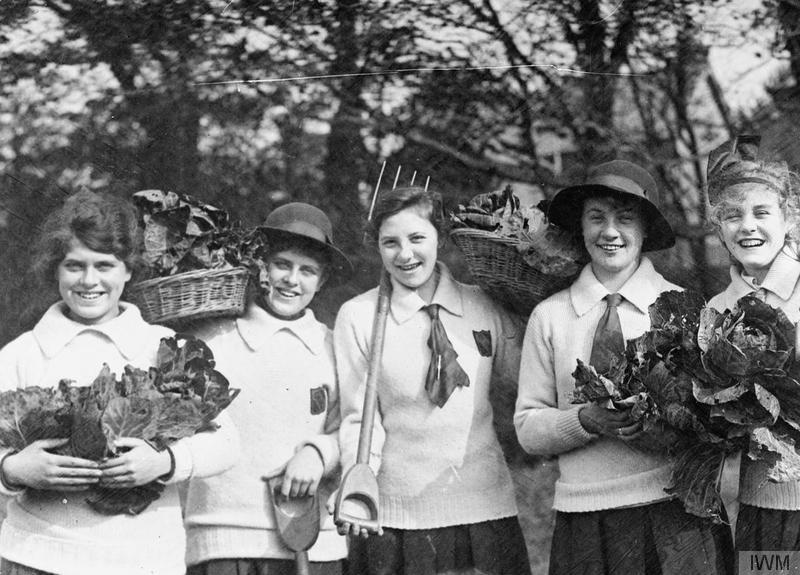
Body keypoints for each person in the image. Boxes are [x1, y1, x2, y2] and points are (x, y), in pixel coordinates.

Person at [0, 189, 240, 575]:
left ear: (128, 270)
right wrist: (11, 469)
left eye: (105, 265)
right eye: (74, 266)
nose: (89, 281)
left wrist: (165, 461)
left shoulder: (163, 348)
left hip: (141, 559)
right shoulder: (22, 354)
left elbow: (228, 443)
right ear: (55, 270)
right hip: (35, 557)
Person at [514, 160, 734, 574]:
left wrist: (669, 425)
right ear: (580, 227)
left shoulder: (683, 308)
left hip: (675, 512)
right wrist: (585, 420)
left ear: (645, 231)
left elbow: (714, 419)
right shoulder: (550, 316)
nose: (610, 232)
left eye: (625, 219)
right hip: (586, 519)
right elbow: (527, 429)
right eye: (596, 218)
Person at [334, 186, 531, 575]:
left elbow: (531, 381)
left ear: (439, 237)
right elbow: (359, 421)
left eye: (417, 238)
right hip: (396, 520)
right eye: (390, 242)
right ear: (377, 247)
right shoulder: (358, 317)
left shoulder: (484, 304)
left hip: (484, 509)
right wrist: (357, 485)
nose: (405, 254)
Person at [183, 203, 352, 575]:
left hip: (310, 541)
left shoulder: (332, 347)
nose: (292, 280)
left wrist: (320, 454)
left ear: (321, 282)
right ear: (260, 267)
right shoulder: (216, 339)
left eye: (307, 271)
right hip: (223, 539)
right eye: (282, 265)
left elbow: (357, 425)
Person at [704, 135, 800, 551]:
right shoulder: (717, 309)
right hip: (763, 508)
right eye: (732, 216)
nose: (747, 226)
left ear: (789, 219)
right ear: (718, 229)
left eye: (762, 212)